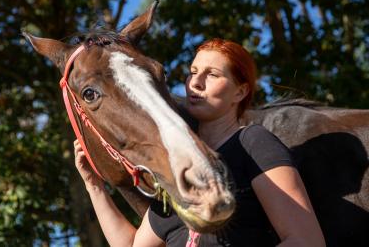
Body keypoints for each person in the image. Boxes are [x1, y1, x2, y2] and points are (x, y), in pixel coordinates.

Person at [74, 38, 325, 247]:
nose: (195, 83)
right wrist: (93, 185)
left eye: (212, 74)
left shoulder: (253, 143)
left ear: (240, 92)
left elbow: (305, 241)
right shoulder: (182, 169)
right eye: (193, 72)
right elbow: (131, 245)